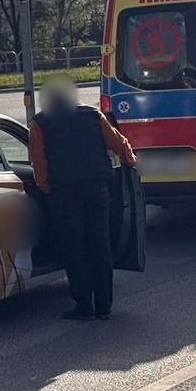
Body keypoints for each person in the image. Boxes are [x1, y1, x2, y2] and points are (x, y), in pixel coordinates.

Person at [27, 74, 136, 321]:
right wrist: (130, 162)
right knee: (100, 244)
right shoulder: (93, 115)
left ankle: (84, 304)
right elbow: (118, 143)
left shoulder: (39, 124)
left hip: (64, 193)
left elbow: (39, 163)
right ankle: (104, 305)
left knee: (73, 247)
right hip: (97, 189)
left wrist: (46, 188)